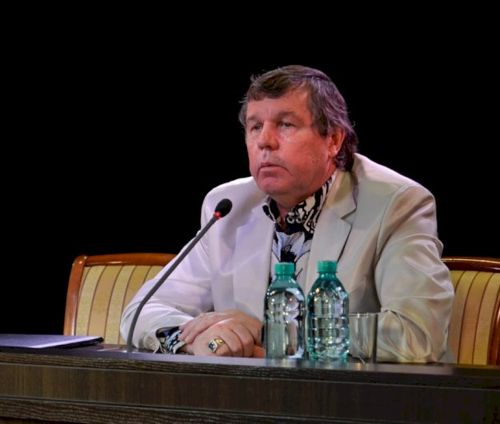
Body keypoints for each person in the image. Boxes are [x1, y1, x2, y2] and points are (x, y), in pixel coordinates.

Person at [121, 65, 454, 363]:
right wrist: (196, 340)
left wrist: (270, 333)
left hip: (351, 400)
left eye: (285, 124)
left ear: (333, 139)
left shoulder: (395, 203)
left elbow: (418, 334)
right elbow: (141, 312)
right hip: (243, 397)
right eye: (255, 127)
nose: (265, 141)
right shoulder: (226, 206)